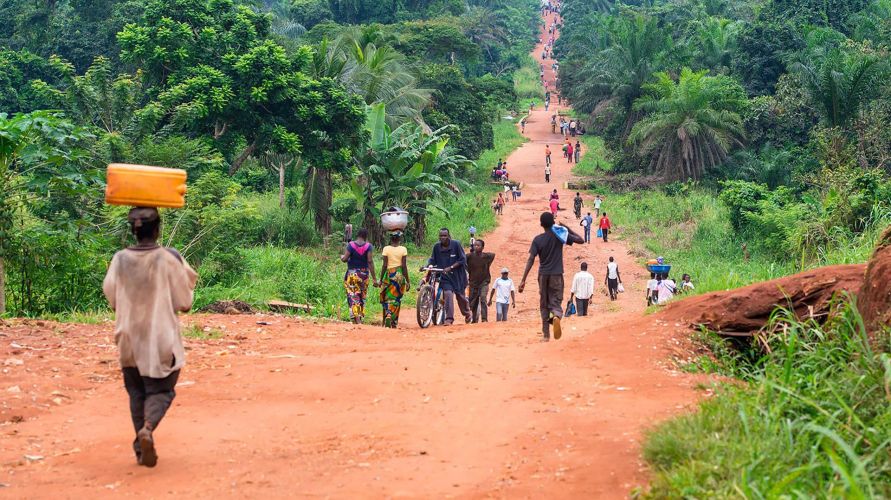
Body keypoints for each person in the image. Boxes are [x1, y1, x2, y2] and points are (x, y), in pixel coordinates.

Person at [102, 207, 198, 468]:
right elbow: (185, 302)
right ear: (158, 228)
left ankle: (139, 449)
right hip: (160, 337)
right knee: (162, 390)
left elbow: (111, 298)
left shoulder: (120, 259)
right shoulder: (168, 259)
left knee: (136, 391)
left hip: (128, 338)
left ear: (132, 230)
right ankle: (147, 429)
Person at [519, 212, 584, 341]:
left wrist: (523, 280)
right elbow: (581, 240)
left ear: (541, 224)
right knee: (555, 301)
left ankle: (546, 335)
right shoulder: (560, 236)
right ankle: (556, 316)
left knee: (544, 304)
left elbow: (531, 259)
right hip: (556, 274)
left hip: (543, 275)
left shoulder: (537, 239)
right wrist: (566, 228)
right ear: (553, 223)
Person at [428, 228, 471, 325]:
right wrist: (429, 265)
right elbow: (432, 259)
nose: (442, 238)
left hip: (458, 276)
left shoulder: (456, 245)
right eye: (441, 236)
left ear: (449, 236)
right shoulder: (436, 247)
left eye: (445, 235)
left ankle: (467, 313)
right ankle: (449, 319)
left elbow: (462, 260)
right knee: (448, 294)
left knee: (460, 297)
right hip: (445, 277)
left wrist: (451, 267)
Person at [340, 228, 379, 324]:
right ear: (365, 236)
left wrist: (342, 257)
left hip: (352, 275)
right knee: (362, 295)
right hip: (364, 275)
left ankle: (357, 318)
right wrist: (374, 279)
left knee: (353, 295)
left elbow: (345, 259)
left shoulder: (351, 245)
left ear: (357, 235)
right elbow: (370, 261)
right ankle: (359, 317)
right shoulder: (368, 246)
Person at [380, 232, 410, 328]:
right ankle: (393, 321)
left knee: (387, 297)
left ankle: (386, 317)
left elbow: (384, 265)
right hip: (399, 275)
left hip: (388, 275)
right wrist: (408, 280)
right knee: (396, 298)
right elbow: (404, 266)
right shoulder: (403, 249)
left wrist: (380, 279)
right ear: (399, 239)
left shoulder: (386, 249)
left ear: (391, 239)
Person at [467, 239, 495, 323]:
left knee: (483, 298)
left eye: (478, 245)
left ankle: (484, 319)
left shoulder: (486, 256)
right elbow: (462, 260)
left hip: (484, 282)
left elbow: (493, 255)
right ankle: (474, 320)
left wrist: (487, 265)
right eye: (475, 245)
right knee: (473, 301)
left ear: (483, 247)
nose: (476, 247)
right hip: (473, 283)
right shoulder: (469, 256)